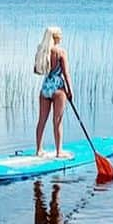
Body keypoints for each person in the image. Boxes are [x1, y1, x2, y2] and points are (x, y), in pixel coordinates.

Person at [33, 24, 73, 159]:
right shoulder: (61, 52)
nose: (61, 37)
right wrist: (69, 91)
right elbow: (66, 73)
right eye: (60, 35)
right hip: (57, 88)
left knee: (41, 120)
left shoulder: (42, 50)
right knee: (57, 121)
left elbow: (36, 70)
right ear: (56, 37)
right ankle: (59, 151)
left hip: (45, 87)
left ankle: (39, 150)